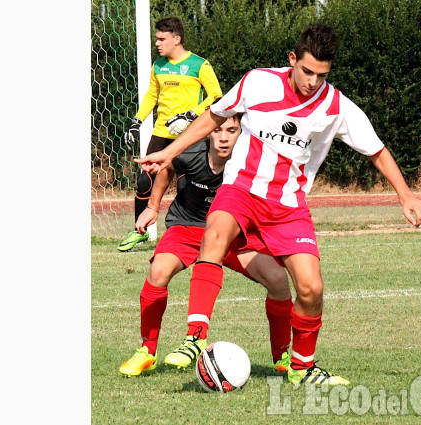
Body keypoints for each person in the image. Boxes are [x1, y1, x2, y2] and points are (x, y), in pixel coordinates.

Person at [134, 24, 421, 386]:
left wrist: (406, 195)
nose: (312, 81)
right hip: (241, 188)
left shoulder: (335, 106)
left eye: (321, 75)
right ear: (292, 60)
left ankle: (302, 368)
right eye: (307, 71)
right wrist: (167, 151)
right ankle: (196, 337)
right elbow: (214, 114)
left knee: (311, 288)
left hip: (288, 205)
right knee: (215, 233)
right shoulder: (257, 82)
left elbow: (376, 150)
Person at [119, 115, 293, 377]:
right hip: (188, 226)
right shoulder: (190, 153)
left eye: (232, 131)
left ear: (242, 133)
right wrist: (153, 207)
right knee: (158, 272)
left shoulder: (251, 159)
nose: (224, 138)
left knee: (279, 279)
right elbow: (167, 167)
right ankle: (147, 351)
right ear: (209, 133)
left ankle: (282, 356)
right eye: (218, 130)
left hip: (233, 233)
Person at [118, 17, 223, 252]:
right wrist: (136, 121)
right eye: (157, 38)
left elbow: (216, 96)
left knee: (187, 185)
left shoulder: (199, 64)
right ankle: (139, 232)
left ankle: (192, 232)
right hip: (161, 133)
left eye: (162, 39)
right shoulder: (159, 65)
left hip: (189, 135)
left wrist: (190, 115)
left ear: (177, 39)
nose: (157, 43)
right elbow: (151, 97)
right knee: (145, 181)